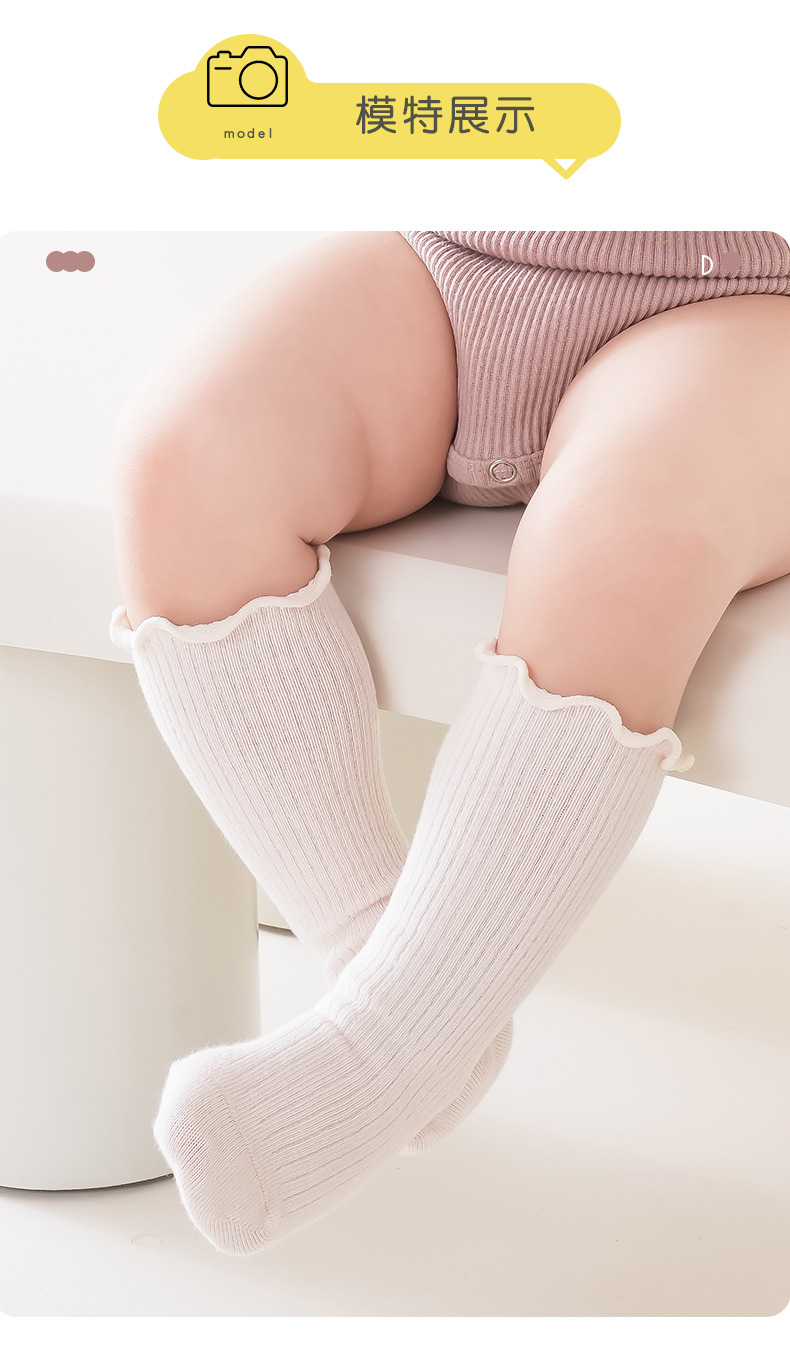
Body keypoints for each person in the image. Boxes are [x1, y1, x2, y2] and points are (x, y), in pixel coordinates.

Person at [108, 230, 790, 1255]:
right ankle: (392, 974)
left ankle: (382, 1050)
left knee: (622, 545)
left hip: (754, 300)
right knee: (186, 463)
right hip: (453, 252)